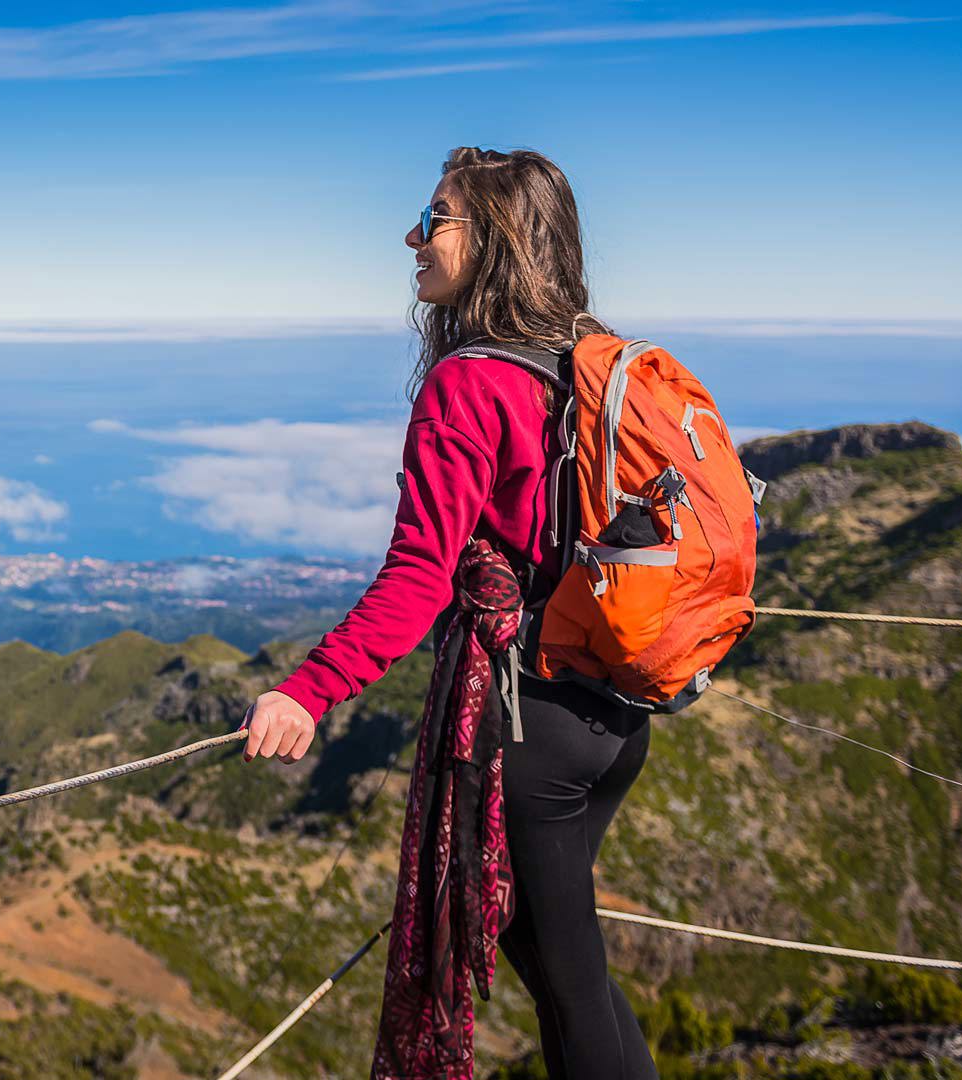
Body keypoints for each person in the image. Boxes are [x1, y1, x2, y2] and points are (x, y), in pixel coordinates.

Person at [238, 146, 660, 1080]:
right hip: (615, 712)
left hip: (530, 725)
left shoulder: (470, 382)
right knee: (562, 967)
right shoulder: (587, 361)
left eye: (435, 219)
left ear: (496, 238)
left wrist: (308, 691)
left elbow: (418, 579)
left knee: (570, 987)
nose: (412, 237)